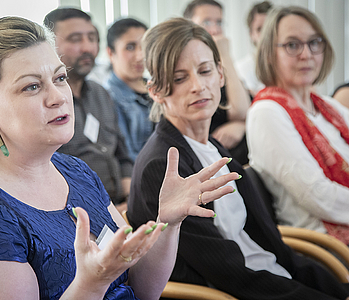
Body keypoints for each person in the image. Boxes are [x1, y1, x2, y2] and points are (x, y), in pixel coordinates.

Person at [0, 16, 237, 300]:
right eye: (32, 86)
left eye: (59, 78)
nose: (58, 97)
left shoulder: (75, 171)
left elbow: (143, 289)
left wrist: (168, 222)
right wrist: (92, 283)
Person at [127, 17, 349, 300]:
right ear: (156, 90)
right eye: (180, 78)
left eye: (205, 71)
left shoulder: (213, 146)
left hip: (271, 278)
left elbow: (271, 249)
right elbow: (231, 275)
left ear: (221, 74)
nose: (198, 86)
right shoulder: (163, 166)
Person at [246, 6, 349, 244]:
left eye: (314, 42)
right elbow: (317, 195)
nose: (306, 54)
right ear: (269, 53)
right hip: (324, 244)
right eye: (292, 45)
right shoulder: (266, 112)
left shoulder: (327, 107)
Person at [44, 8, 133, 212]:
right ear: (49, 46)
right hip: (74, 212)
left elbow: (122, 154)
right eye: (75, 39)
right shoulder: (47, 103)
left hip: (120, 206)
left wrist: (129, 201)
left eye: (92, 38)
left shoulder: (101, 94)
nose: (87, 47)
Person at [184, 0, 251, 165]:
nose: (215, 30)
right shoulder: (185, 70)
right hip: (206, 160)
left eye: (219, 22)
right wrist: (224, 53)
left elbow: (247, 110)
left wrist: (241, 126)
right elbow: (241, 111)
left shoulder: (221, 66)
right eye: (206, 22)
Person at [103, 18, 154, 162]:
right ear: (111, 53)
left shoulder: (158, 86)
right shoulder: (108, 96)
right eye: (130, 47)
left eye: (145, 47)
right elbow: (127, 157)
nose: (140, 56)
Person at [235, 1, 272, 97]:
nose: (265, 34)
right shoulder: (241, 69)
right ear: (251, 34)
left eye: (270, 28)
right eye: (260, 29)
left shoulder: (289, 65)